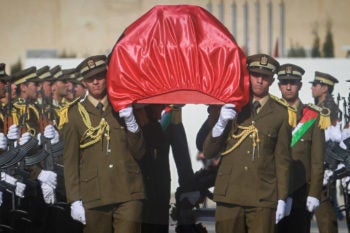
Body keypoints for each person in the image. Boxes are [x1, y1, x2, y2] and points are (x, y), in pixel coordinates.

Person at [203, 53, 292, 233]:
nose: (259, 80)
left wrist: (282, 197)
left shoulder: (280, 114)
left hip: (262, 197)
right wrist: (220, 123)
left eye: (265, 77)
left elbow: (282, 160)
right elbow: (208, 150)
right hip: (230, 194)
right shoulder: (231, 106)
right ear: (247, 76)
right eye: (255, 75)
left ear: (272, 81)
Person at [63, 55, 145, 233]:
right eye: (90, 79)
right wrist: (74, 199)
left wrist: (132, 122)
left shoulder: (123, 106)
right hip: (94, 195)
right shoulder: (74, 114)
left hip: (128, 190)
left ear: (107, 76)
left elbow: (140, 152)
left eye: (99, 76)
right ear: (84, 82)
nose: (95, 82)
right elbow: (70, 161)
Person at [276, 64, 325, 233]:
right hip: (272, 192)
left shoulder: (312, 116)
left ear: (300, 85)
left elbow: (317, 161)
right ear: (278, 85)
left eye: (293, 82)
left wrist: (314, 193)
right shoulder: (270, 114)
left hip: (300, 192)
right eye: (284, 82)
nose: (288, 86)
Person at [311, 71, 341, 233]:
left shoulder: (329, 110)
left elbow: (333, 142)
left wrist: (328, 169)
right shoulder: (319, 108)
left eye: (315, 85)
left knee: (325, 217)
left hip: (324, 170)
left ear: (324, 89)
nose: (312, 88)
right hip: (316, 168)